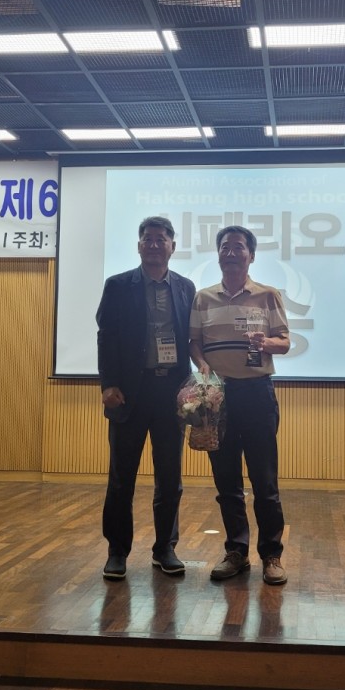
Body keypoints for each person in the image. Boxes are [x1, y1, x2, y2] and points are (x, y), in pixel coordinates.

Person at [189, 225, 290, 585]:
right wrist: (202, 364)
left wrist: (266, 343)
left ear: (251, 255)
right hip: (218, 397)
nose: (231, 253)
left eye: (239, 247)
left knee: (265, 481)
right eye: (225, 247)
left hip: (257, 393)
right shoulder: (203, 298)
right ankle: (236, 552)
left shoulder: (268, 295)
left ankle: (272, 556)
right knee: (226, 480)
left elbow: (285, 342)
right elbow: (194, 342)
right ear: (218, 254)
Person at [97, 216, 195, 581]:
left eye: (161, 239)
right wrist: (108, 384)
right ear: (139, 246)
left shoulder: (185, 287)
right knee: (122, 477)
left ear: (173, 246)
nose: (154, 245)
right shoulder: (118, 285)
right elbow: (106, 337)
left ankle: (165, 548)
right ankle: (117, 551)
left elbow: (191, 338)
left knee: (170, 477)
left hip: (171, 393)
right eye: (148, 239)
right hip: (128, 393)